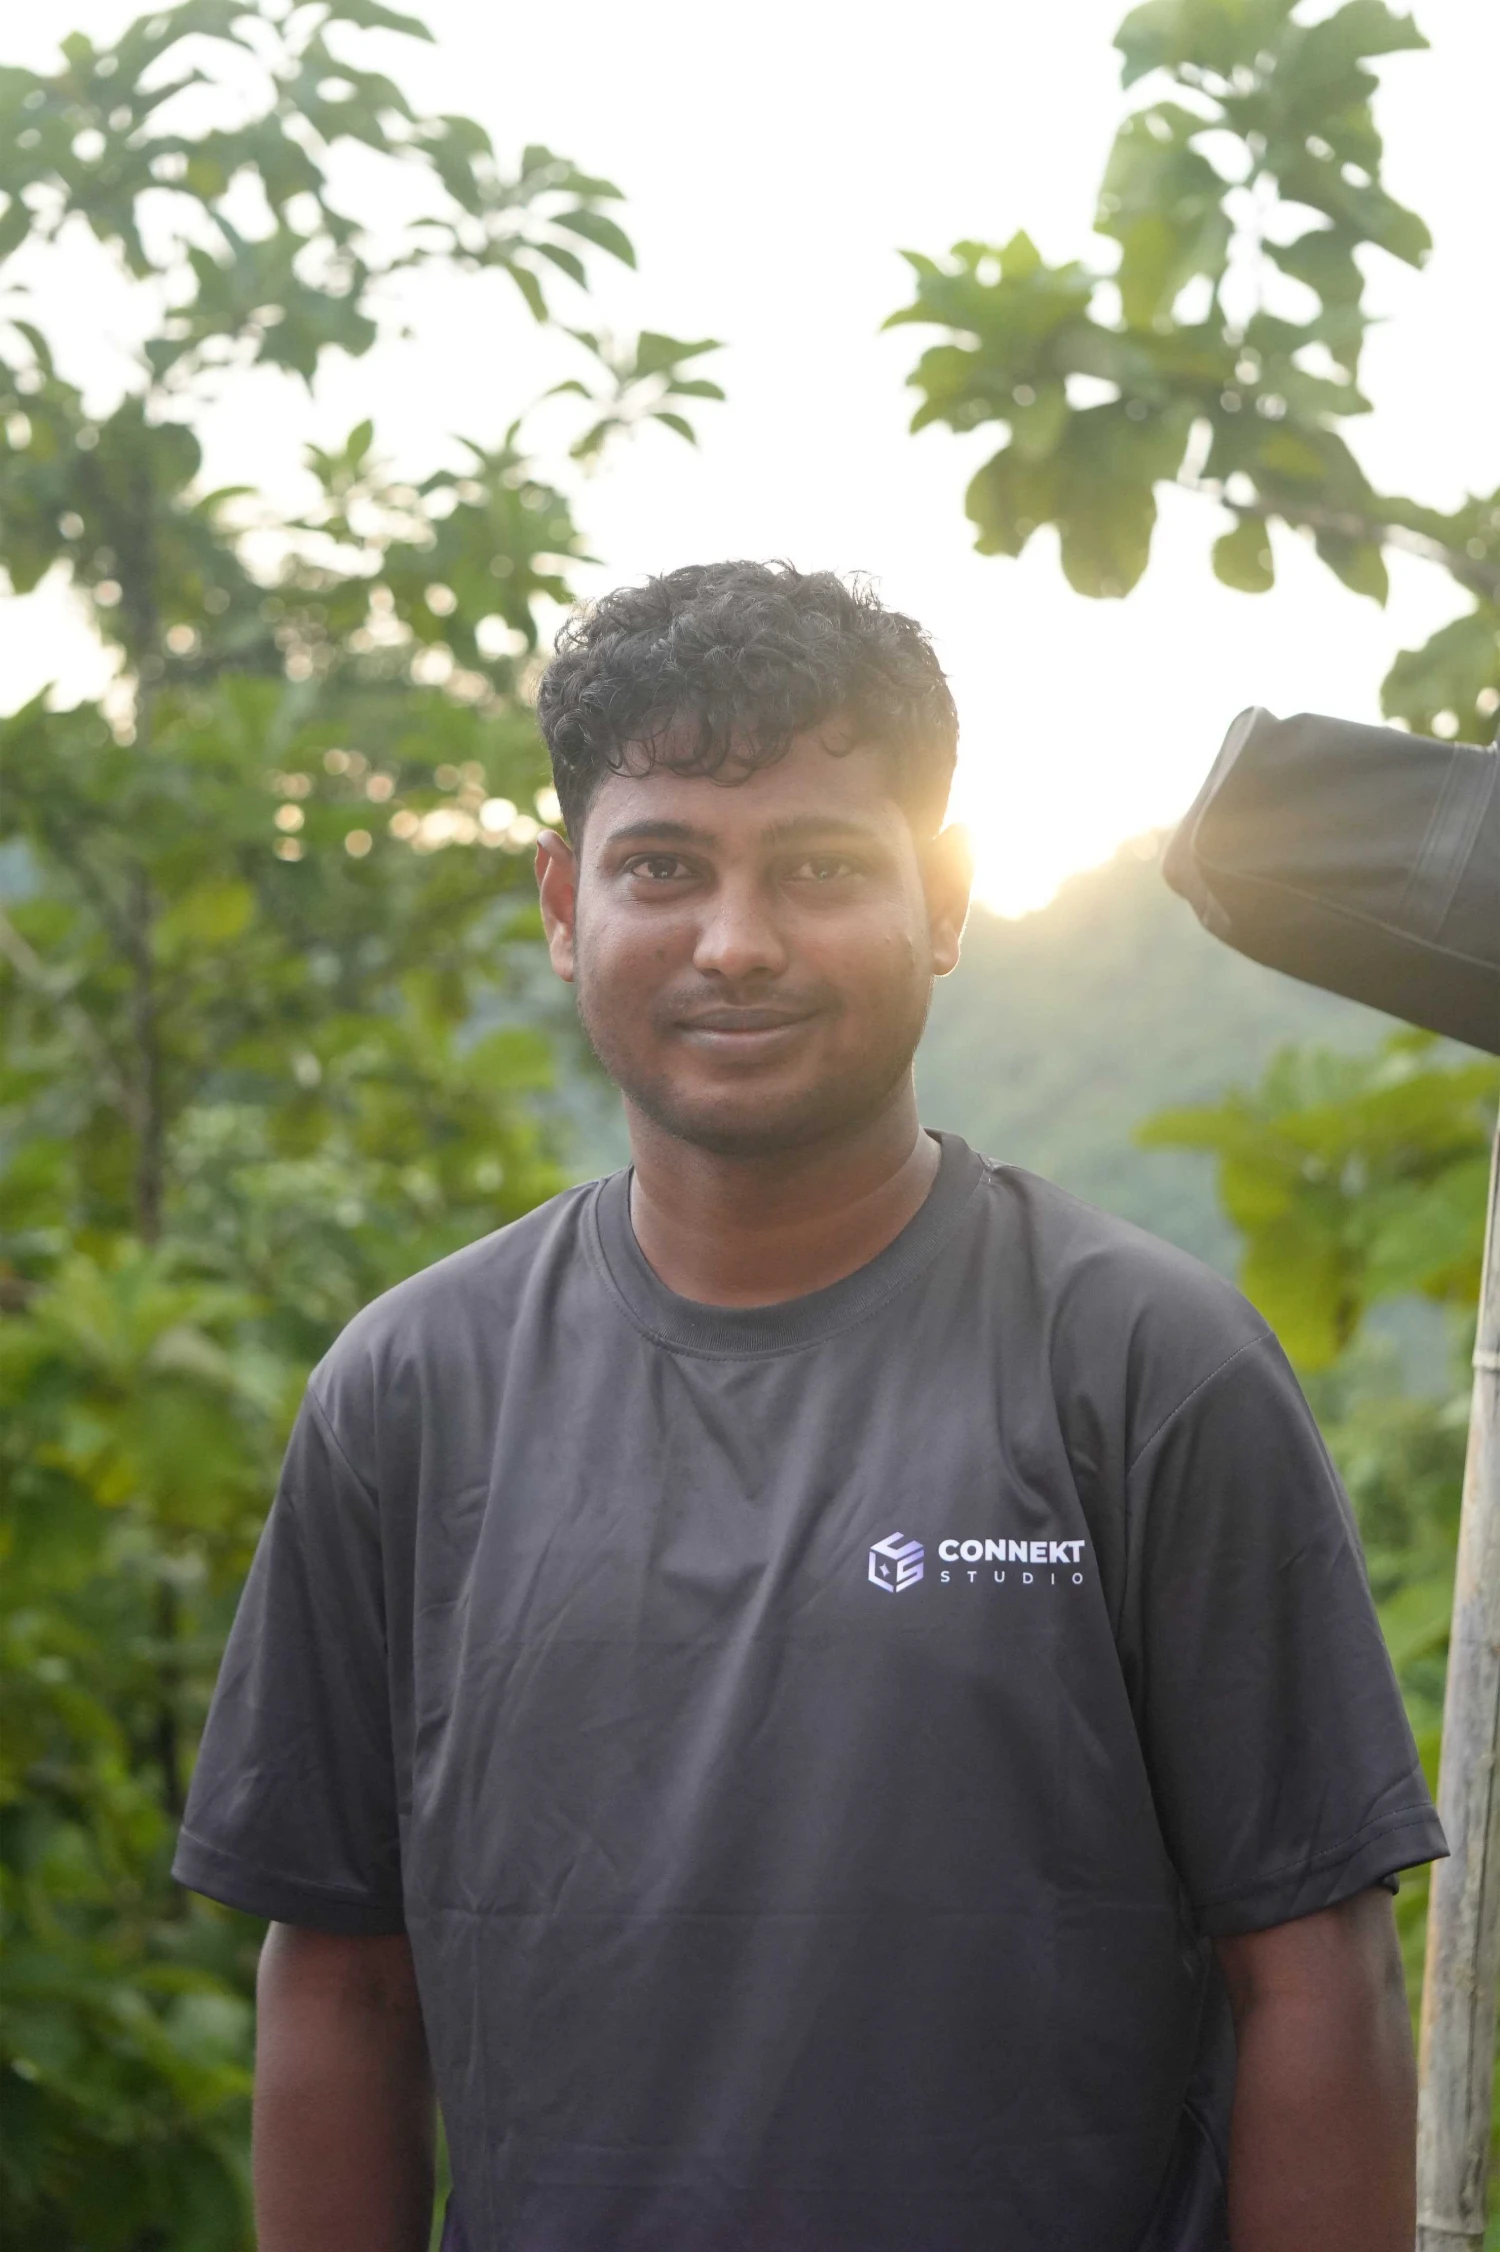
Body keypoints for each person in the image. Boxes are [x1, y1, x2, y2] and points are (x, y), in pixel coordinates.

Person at [174, 561, 1445, 2252]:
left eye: (823, 868)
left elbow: (1315, 1980)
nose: (739, 942)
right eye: (662, 868)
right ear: (565, 905)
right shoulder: (407, 1397)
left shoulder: (1148, 1370)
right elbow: (339, 1990)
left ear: (944, 897)